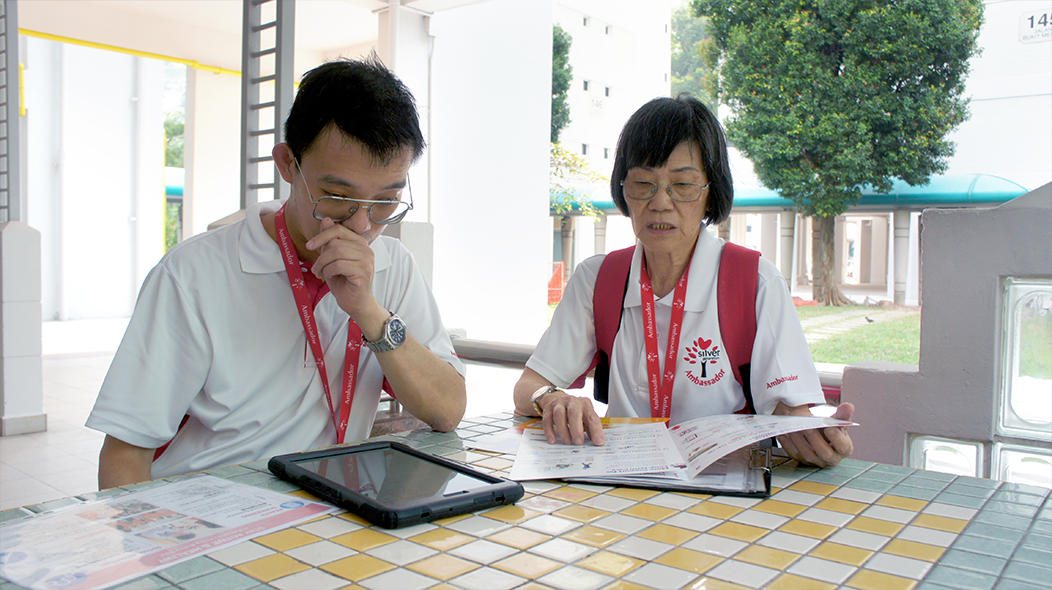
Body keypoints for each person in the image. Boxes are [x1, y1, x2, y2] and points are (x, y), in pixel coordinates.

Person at [88, 56, 466, 487]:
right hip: (208, 517)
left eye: (385, 202)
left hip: (329, 510)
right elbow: (125, 452)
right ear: (288, 164)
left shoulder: (395, 266)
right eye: (337, 196)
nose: (362, 225)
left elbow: (447, 409)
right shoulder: (192, 274)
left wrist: (369, 311)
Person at [513, 95, 853, 468]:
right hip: (621, 484)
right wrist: (553, 398)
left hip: (721, 491)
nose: (660, 202)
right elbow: (527, 386)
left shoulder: (754, 282)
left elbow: (790, 412)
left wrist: (810, 437)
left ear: (710, 195)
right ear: (623, 190)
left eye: (684, 185)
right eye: (643, 183)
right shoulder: (598, 279)